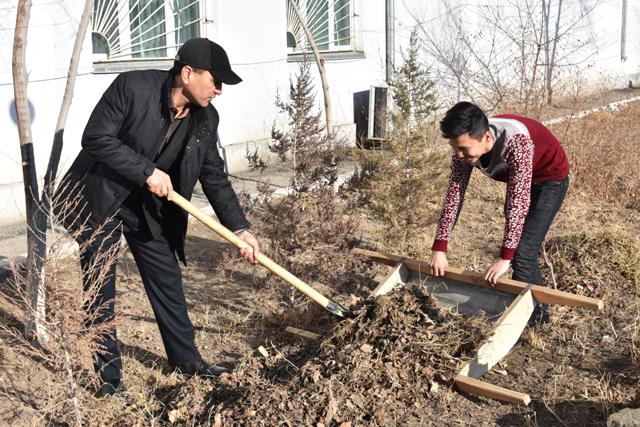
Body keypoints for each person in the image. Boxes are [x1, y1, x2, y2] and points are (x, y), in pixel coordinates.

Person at [54, 38, 260, 397]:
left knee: (167, 280)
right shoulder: (132, 88)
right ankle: (108, 379)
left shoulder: (205, 118)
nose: (220, 90)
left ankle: (186, 361)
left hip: (146, 207)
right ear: (187, 73)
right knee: (100, 290)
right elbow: (96, 138)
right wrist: (147, 170)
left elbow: (214, 176)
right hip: (100, 198)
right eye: (215, 80)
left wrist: (239, 228)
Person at [428, 102, 569, 300]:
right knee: (517, 247)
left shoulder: (516, 142)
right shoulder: (465, 149)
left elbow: (517, 204)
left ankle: (536, 319)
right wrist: (439, 247)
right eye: (454, 148)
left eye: (463, 149)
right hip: (520, 179)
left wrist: (505, 257)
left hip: (549, 179)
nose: (459, 155)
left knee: (521, 252)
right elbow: (454, 193)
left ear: (486, 138)